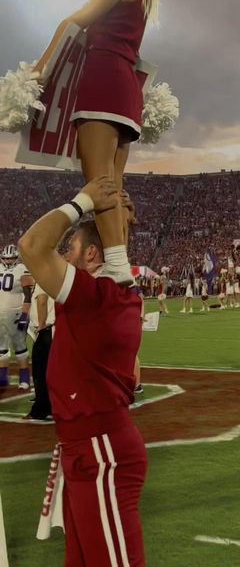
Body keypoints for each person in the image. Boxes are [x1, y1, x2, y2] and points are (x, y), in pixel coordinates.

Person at [18, 176, 147, 566]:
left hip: (99, 449)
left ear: (92, 255)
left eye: (70, 248)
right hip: (86, 447)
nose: (65, 256)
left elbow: (31, 246)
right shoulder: (106, 296)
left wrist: (81, 202)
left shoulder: (94, 299)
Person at [33, 0, 163, 287]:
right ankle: (117, 265)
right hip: (125, 90)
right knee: (113, 184)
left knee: (99, 180)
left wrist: (38, 73)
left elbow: (75, 21)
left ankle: (118, 271)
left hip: (103, 82)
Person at [0, 244, 34, 389]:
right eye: (6, 258)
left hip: (16, 313)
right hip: (0, 314)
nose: (8, 261)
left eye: (11, 258)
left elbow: (28, 295)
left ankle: (24, 379)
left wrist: (24, 314)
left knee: (19, 347)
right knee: (1, 348)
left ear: (16, 258)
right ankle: (2, 378)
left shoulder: (21, 269)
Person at [23, 283, 55, 421]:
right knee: (51, 372)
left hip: (45, 330)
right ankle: (52, 406)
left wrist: (41, 326)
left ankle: (40, 410)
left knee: (40, 373)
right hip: (52, 330)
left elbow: (42, 301)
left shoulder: (43, 280)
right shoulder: (53, 279)